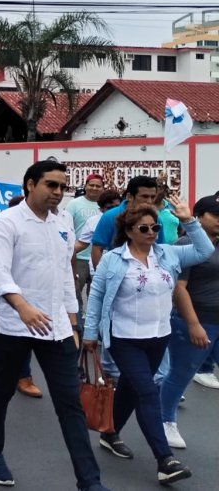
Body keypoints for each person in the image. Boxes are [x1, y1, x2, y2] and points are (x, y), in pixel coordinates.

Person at [0, 160, 109, 491]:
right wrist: (23, 308)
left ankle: (90, 482)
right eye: (51, 185)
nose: (58, 192)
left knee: (70, 403)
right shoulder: (6, 223)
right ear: (30, 184)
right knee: (2, 389)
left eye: (63, 186)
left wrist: (74, 323)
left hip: (57, 327)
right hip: (12, 324)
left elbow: (65, 272)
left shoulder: (63, 221)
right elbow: (0, 273)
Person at [83, 198, 206, 485]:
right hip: (125, 338)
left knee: (130, 388)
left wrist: (189, 220)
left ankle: (110, 432)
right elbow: (98, 297)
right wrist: (90, 334)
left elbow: (204, 249)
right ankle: (165, 460)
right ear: (129, 231)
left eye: (156, 227)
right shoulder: (114, 259)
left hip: (158, 336)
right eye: (144, 227)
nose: (152, 232)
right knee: (148, 392)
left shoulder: (168, 254)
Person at [160, 195, 219, 448]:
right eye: (215, 215)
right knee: (181, 373)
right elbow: (179, 288)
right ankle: (165, 421)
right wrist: (193, 323)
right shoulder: (186, 243)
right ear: (199, 216)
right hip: (194, 320)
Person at [90, 176, 161, 269]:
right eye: (145, 196)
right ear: (129, 197)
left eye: (153, 197)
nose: (149, 201)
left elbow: (160, 249)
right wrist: (103, 276)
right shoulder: (110, 216)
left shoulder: (157, 218)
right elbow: (97, 248)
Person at [67, 175, 105, 304]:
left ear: (103, 188)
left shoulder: (106, 206)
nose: (94, 188)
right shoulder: (74, 204)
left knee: (97, 296)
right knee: (75, 293)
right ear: (85, 186)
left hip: (100, 257)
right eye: (91, 185)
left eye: (98, 186)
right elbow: (66, 226)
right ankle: (77, 322)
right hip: (79, 257)